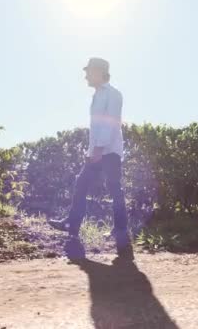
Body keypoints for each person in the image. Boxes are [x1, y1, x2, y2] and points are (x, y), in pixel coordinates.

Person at [49, 57, 133, 261]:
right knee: (81, 184)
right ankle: (72, 225)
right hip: (96, 151)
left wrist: (98, 148)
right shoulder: (96, 96)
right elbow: (96, 128)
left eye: (88, 71)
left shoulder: (113, 94)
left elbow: (111, 124)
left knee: (114, 190)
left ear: (99, 72)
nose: (85, 75)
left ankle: (121, 234)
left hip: (109, 151)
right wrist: (91, 151)